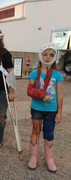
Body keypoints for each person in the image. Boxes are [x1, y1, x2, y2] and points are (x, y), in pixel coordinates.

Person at [27, 43, 63, 172]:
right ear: (40, 55)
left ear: (55, 57)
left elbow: (60, 95)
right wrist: (42, 97)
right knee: (36, 130)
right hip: (37, 107)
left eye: (51, 55)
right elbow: (30, 90)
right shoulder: (34, 73)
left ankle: (49, 159)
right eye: (45, 54)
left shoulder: (57, 75)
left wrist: (59, 112)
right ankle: (33, 157)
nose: (48, 57)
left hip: (51, 110)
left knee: (49, 133)